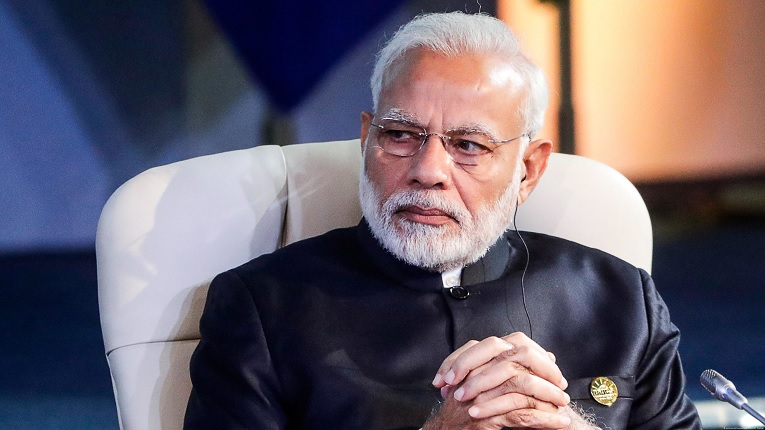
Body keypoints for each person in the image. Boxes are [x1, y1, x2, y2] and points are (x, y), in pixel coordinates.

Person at [184, 11, 701, 429]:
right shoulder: (262, 309)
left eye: (468, 145)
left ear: (528, 169)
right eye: (400, 135)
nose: (428, 171)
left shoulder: (621, 300)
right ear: (366, 140)